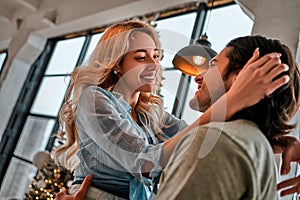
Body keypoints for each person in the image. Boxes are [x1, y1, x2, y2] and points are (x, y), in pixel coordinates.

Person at [53, 20, 291, 200]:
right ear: (116, 64)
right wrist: (230, 102)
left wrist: (284, 145)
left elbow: (192, 137)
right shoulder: (94, 99)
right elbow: (143, 162)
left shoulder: (151, 113)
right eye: (141, 57)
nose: (154, 64)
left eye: (156, 56)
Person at [155, 35, 300, 200]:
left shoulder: (214, 143)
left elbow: (144, 163)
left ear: (241, 78)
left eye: (213, 66)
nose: (197, 77)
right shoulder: (260, 147)